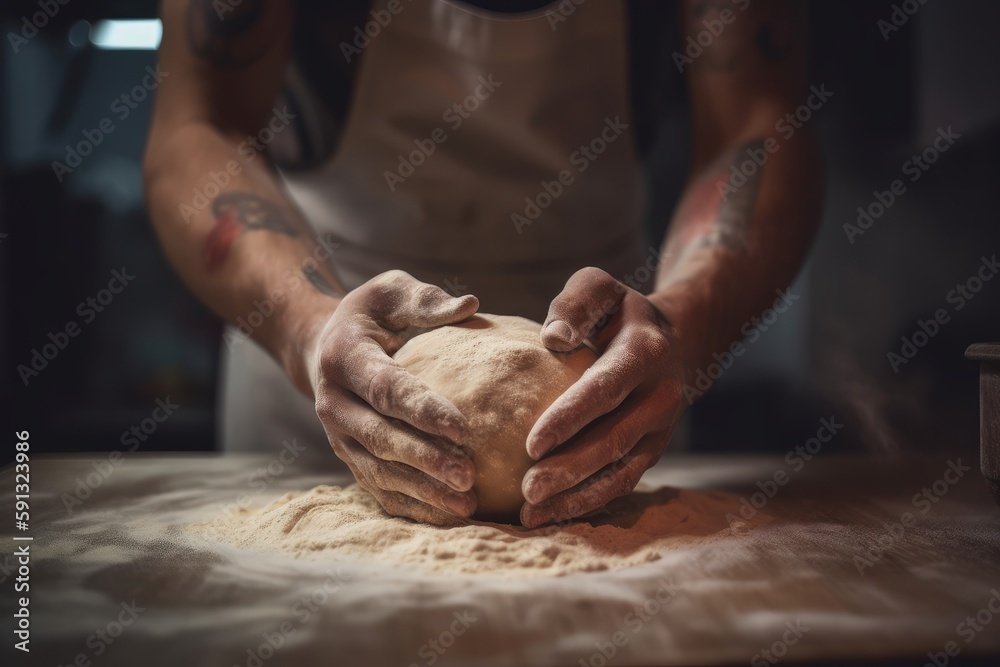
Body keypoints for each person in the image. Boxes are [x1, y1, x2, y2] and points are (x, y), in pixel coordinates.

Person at [143, 0, 823, 528]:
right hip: (325, 345)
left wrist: (684, 322)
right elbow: (196, 127)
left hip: (610, 379)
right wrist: (309, 327)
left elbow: (757, 123)